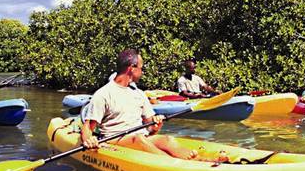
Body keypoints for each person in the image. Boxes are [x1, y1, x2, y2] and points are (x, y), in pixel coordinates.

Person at [81, 49, 225, 162]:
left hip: (141, 137)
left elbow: (151, 128)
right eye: (141, 68)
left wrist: (156, 124)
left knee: (168, 140)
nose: (142, 72)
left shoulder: (139, 94)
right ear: (132, 68)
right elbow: (88, 128)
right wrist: (89, 140)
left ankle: (199, 162)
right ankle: (177, 165)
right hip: (115, 140)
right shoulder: (104, 93)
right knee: (138, 140)